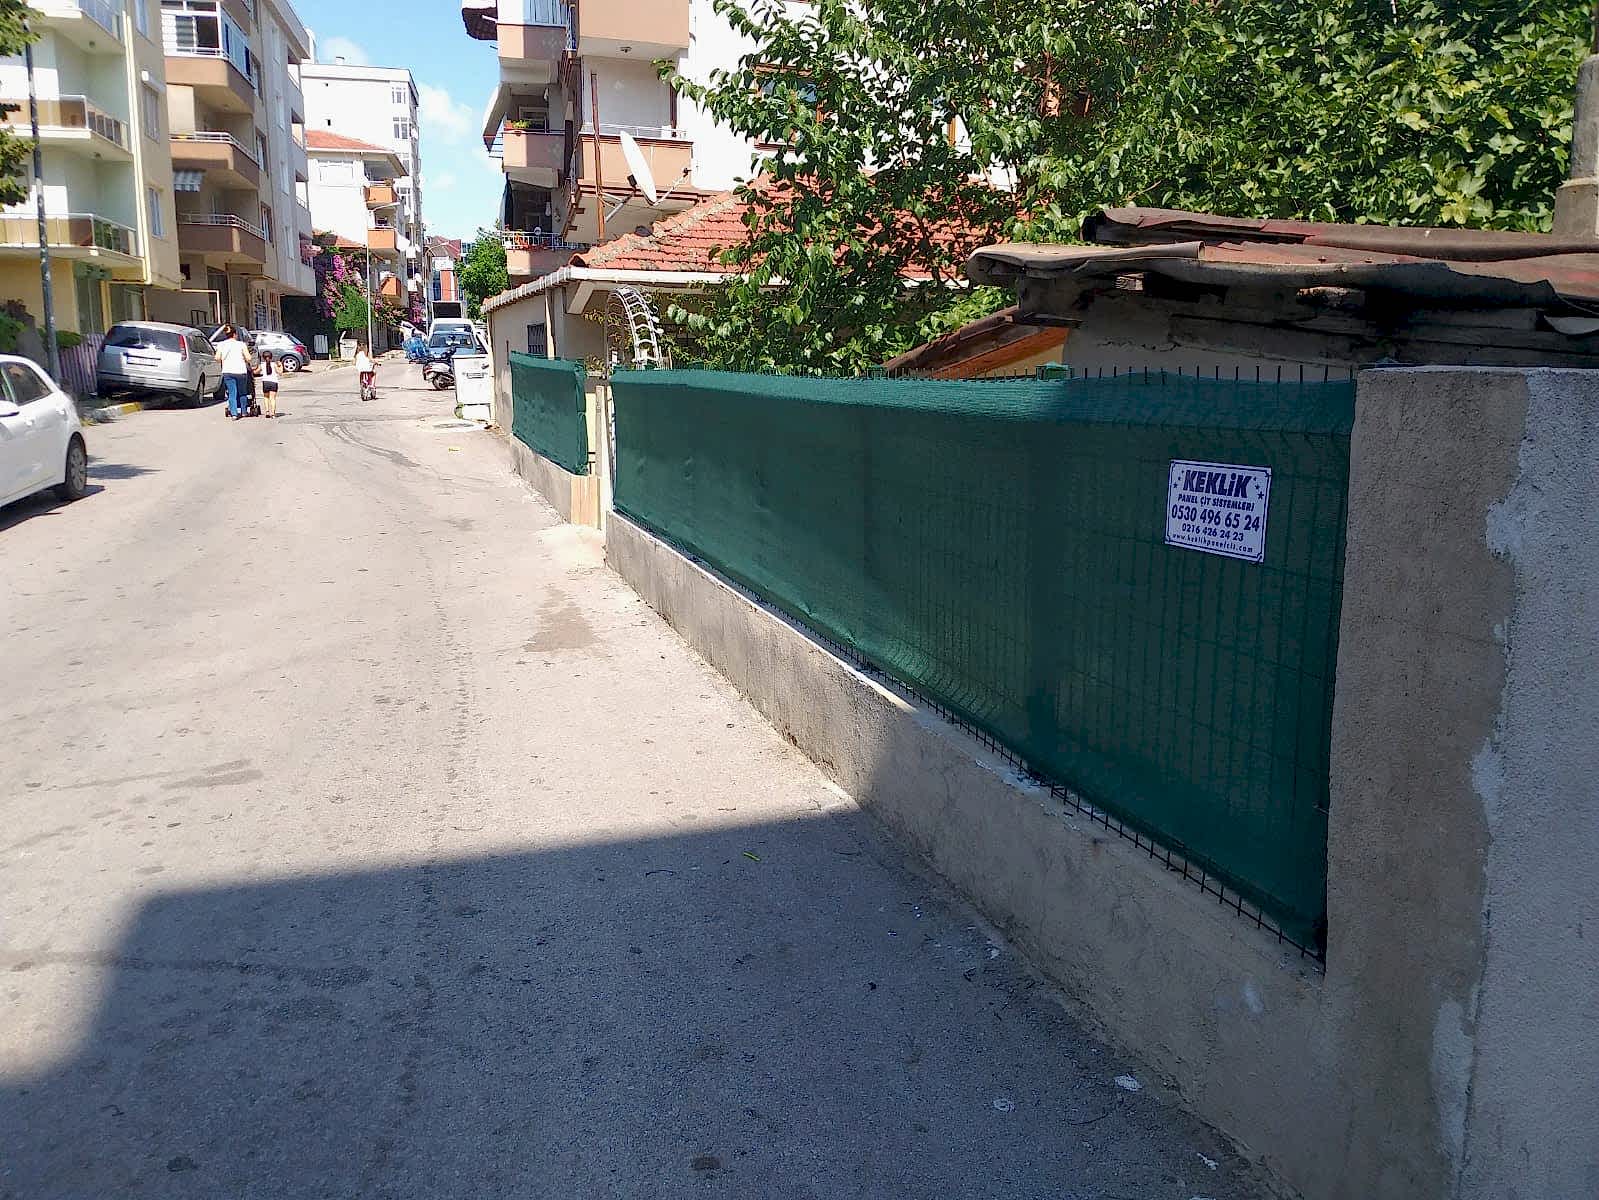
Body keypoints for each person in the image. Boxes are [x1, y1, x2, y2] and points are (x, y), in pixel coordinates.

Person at [215, 325, 254, 420]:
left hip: (228, 371)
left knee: (232, 393)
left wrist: (223, 359)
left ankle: (234, 414)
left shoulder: (221, 345)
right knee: (242, 392)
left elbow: (217, 358)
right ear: (235, 334)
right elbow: (249, 358)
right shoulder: (241, 344)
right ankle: (244, 412)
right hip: (241, 371)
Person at [259, 350, 280, 419]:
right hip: (274, 382)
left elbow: (256, 371)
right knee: (272, 398)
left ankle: (267, 412)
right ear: (271, 357)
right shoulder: (274, 364)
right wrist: (281, 366)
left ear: (263, 357)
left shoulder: (262, 365)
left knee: (266, 397)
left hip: (265, 382)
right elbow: (280, 372)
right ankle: (273, 413)